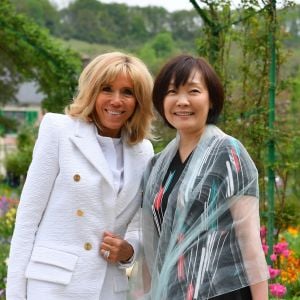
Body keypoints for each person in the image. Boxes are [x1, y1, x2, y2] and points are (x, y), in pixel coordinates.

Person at [6, 51, 154, 300]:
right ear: (92, 91)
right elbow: (27, 220)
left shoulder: (144, 151)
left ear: (139, 100)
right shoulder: (58, 130)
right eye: (107, 89)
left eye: (127, 92)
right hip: (52, 287)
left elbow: (140, 226)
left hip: (108, 290)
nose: (117, 100)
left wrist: (128, 251)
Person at [137, 55, 269, 300]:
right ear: (161, 101)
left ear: (211, 100)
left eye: (194, 91)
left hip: (222, 292)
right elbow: (152, 247)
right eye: (172, 92)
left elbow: (249, 240)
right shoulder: (156, 166)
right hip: (171, 292)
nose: (182, 101)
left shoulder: (229, 153)